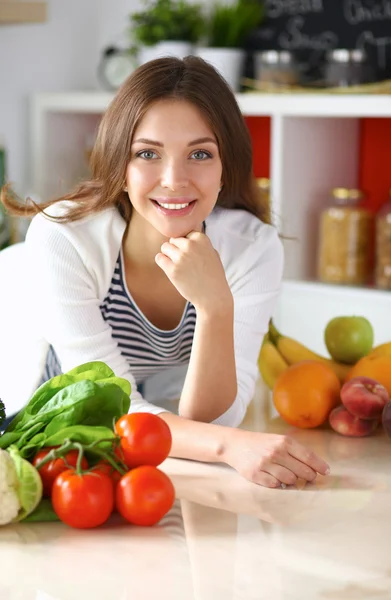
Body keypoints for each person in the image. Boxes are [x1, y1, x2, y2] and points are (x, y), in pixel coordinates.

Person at [1, 56, 330, 488]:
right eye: (147, 154)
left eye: (199, 153)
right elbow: (111, 402)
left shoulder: (253, 248)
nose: (174, 180)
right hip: (54, 445)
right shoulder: (64, 238)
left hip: (159, 452)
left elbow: (216, 417)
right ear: (120, 166)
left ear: (224, 167)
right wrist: (229, 445)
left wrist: (214, 306)